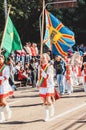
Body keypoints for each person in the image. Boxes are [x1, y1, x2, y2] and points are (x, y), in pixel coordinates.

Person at [36, 53, 55, 121]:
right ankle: (47, 116)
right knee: (44, 101)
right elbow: (39, 76)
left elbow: (47, 76)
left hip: (49, 85)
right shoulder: (39, 66)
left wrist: (42, 71)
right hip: (42, 85)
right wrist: (38, 83)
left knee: (49, 100)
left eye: (44, 58)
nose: (42, 59)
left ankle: (52, 107)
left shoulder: (49, 66)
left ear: (47, 59)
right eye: (41, 58)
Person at [0, 55, 13, 123]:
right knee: (0, 103)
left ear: (3, 59)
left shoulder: (6, 67)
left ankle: (9, 111)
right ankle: (2, 117)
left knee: (3, 100)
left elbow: (6, 77)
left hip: (3, 86)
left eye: (0, 59)